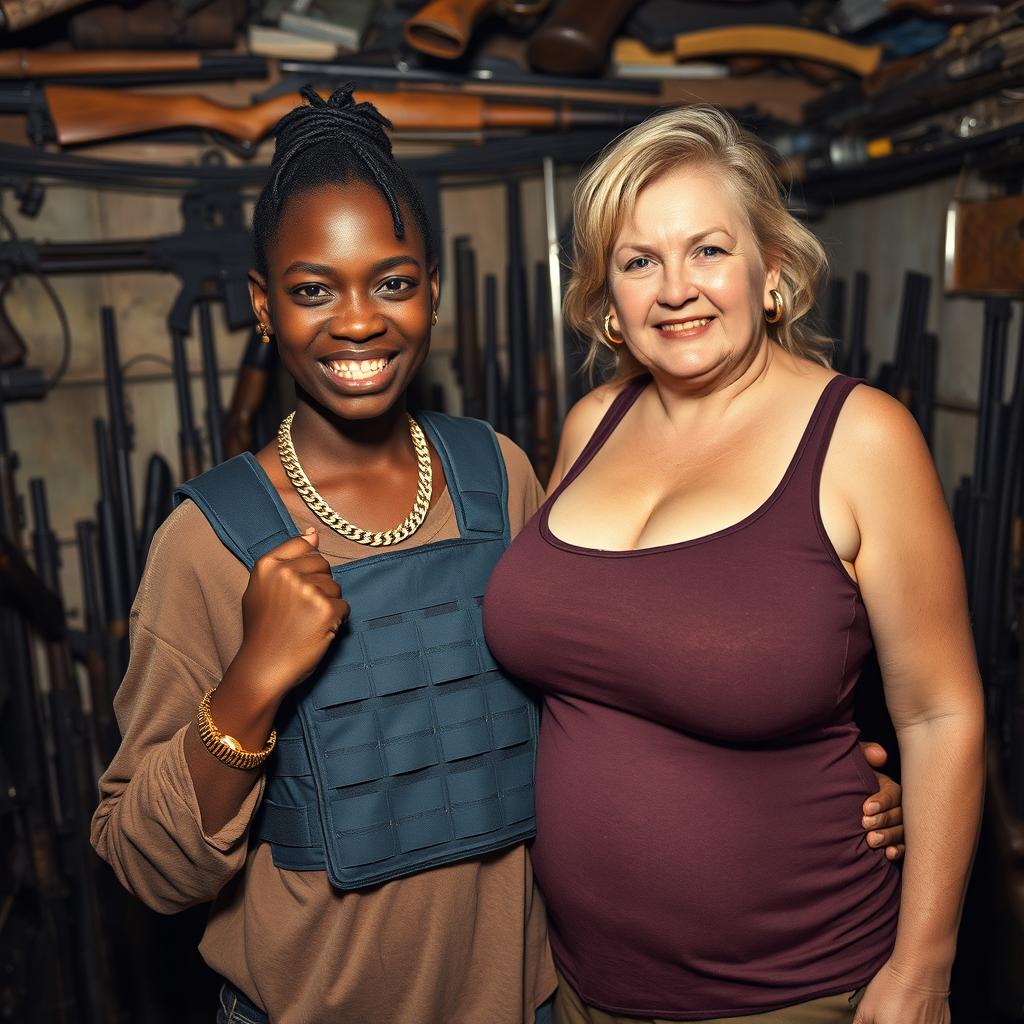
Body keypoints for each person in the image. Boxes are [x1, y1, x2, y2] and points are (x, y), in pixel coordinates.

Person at [92, 91, 905, 1024]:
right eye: (314, 289)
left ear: (432, 290)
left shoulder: (501, 475)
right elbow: (143, 864)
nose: (358, 321)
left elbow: (622, 673)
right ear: (263, 307)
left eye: (392, 282)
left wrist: (821, 783)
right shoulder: (207, 542)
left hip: (542, 1003)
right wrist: (245, 693)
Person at [483, 105, 984, 1024]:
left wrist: (923, 972)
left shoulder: (862, 437)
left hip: (789, 989)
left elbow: (941, 711)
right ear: (608, 300)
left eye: (708, 250)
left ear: (773, 274)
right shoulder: (594, 425)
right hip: (577, 980)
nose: (676, 289)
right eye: (640, 262)